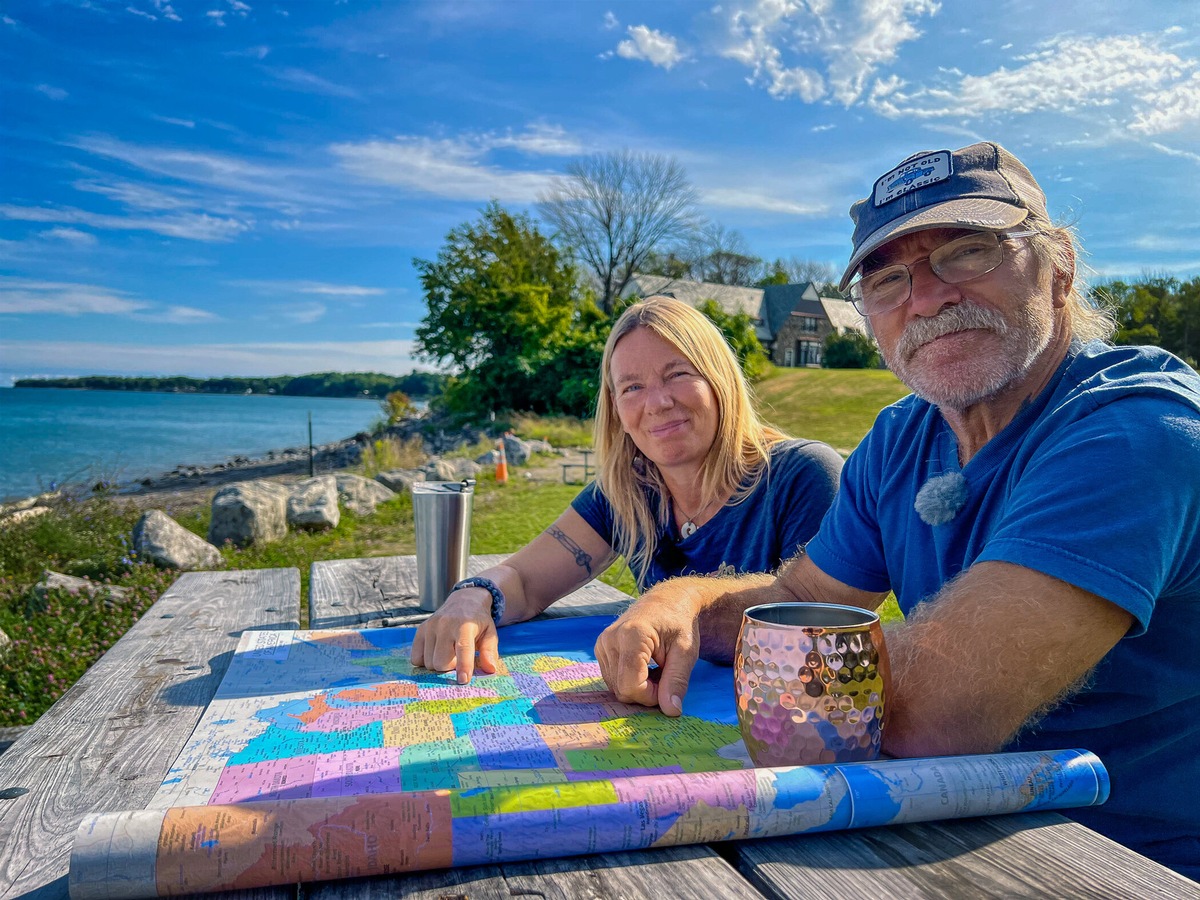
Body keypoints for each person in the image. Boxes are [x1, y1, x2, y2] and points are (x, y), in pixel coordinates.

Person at [595, 142, 1200, 879]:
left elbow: (927, 713)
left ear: (1060, 267)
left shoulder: (1138, 430)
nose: (926, 296)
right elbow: (801, 599)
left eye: (969, 251)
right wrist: (680, 604)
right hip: (939, 829)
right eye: (886, 280)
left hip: (1121, 860)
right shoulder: (901, 436)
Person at [411, 295, 843, 685]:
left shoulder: (802, 474)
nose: (656, 403)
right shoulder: (627, 491)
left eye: (677, 374)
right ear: (615, 407)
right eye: (632, 387)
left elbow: (820, 620)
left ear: (720, 381)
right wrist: (474, 595)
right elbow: (524, 578)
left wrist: (681, 602)